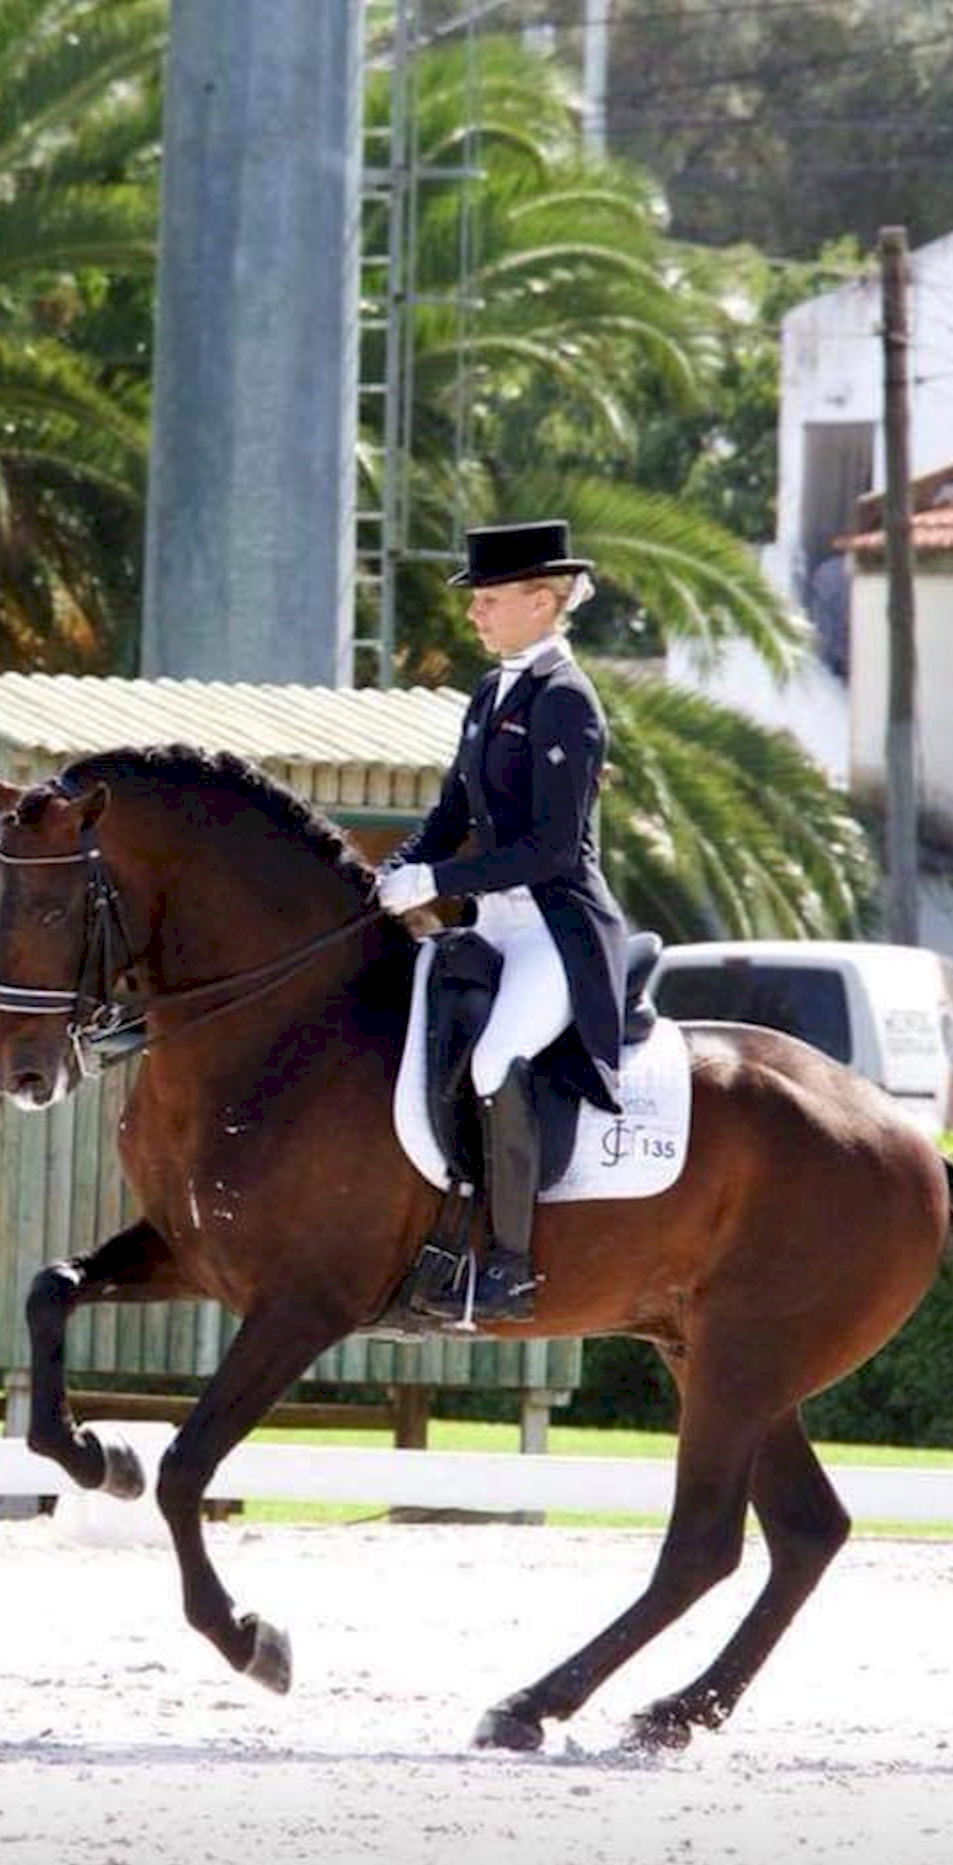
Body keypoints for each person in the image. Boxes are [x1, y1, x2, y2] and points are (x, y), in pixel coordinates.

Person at [377, 519, 627, 1323]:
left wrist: (436, 879)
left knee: (493, 1066)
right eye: (476, 600)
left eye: (489, 599)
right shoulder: (492, 693)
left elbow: (551, 850)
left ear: (543, 601)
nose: (475, 614)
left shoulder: (565, 702)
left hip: (555, 932)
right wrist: (398, 871)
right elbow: (451, 811)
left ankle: (511, 1267)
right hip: (492, 924)